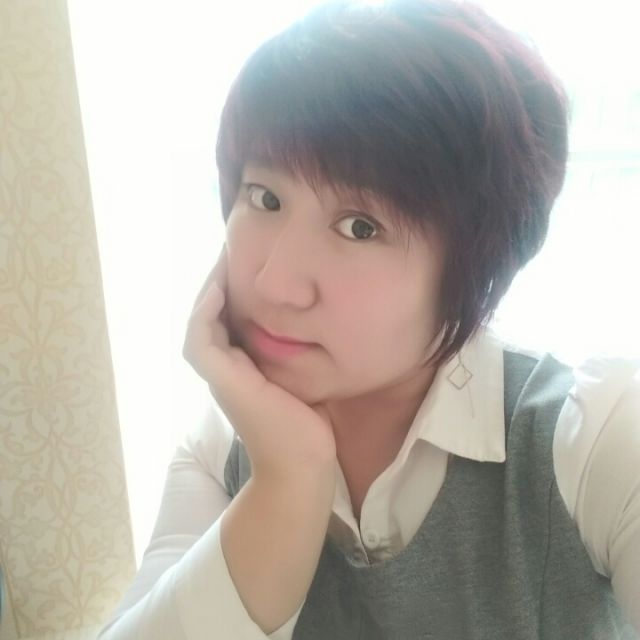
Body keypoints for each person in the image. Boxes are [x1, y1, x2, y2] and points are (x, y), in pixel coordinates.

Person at [98, 1, 640, 638]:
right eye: (265, 197)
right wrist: (288, 479)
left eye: (360, 227)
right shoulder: (225, 445)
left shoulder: (591, 437)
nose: (275, 283)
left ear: (479, 260)